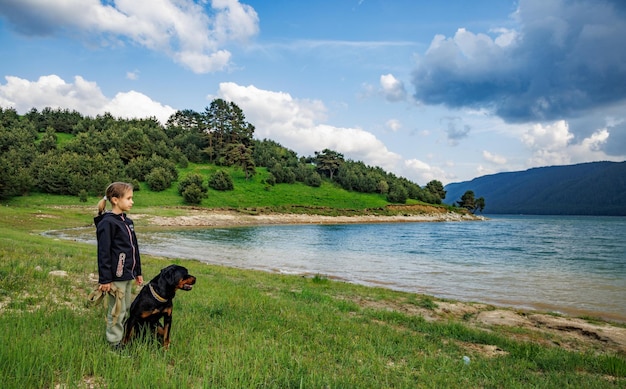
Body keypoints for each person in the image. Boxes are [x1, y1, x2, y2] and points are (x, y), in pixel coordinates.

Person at [94, 182, 143, 349]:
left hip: (128, 274)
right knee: (117, 310)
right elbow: (104, 253)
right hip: (116, 275)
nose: (132, 202)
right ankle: (114, 342)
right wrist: (105, 279)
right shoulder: (107, 223)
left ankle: (122, 337)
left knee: (126, 307)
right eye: (129, 198)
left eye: (132, 198)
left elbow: (134, 249)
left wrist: (138, 271)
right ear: (115, 200)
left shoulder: (127, 222)